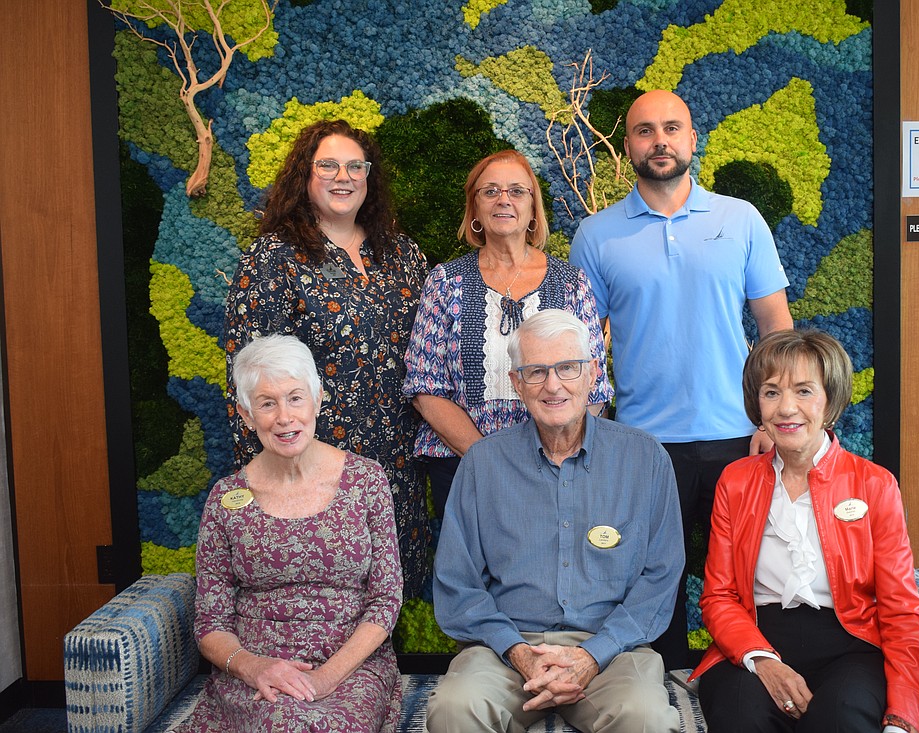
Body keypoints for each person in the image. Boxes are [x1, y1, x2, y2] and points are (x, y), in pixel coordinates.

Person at [569, 89, 795, 669]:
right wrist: (588, 433)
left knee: (748, 573)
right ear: (629, 148)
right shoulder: (597, 235)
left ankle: (751, 677)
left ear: (693, 140)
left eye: (672, 128)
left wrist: (771, 420)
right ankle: (659, 688)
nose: (660, 140)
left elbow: (775, 329)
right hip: (643, 444)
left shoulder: (740, 220)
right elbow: (583, 349)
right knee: (651, 582)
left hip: (736, 437)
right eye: (645, 131)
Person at [427, 309, 684, 733]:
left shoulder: (646, 459)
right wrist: (520, 653)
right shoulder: (482, 464)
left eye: (567, 368)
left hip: (613, 652)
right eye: (535, 372)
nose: (553, 385)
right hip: (503, 648)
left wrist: (592, 655)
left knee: (647, 719)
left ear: (592, 373)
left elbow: (660, 577)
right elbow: (457, 583)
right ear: (516, 383)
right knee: (455, 708)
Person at [223, 119, 429, 599]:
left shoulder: (402, 254)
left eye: (355, 165)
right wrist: (267, 483)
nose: (344, 176)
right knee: (322, 598)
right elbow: (249, 379)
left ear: (369, 176)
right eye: (329, 165)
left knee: (388, 598)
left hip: (398, 463)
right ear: (304, 176)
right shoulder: (273, 260)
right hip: (313, 468)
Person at [689, 328, 919, 733]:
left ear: (829, 399)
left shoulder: (875, 484)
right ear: (756, 404)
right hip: (756, 637)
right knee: (739, 717)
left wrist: (902, 717)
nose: (785, 408)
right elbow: (719, 596)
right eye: (771, 392)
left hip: (851, 644)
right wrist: (760, 659)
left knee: (842, 718)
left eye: (803, 391)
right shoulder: (735, 481)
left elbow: (901, 608)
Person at [175, 334, 403, 733]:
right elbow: (210, 624)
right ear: (247, 415)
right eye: (267, 403)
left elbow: (385, 600)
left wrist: (324, 679)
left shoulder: (367, 479)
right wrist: (255, 668)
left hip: (349, 670)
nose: (284, 417)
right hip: (257, 674)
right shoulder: (226, 498)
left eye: (295, 398)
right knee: (277, 720)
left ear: (317, 398)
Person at [403, 149, 612, 516]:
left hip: (556, 467)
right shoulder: (444, 282)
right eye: (490, 191)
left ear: (533, 209)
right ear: (475, 210)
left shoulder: (570, 283)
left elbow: (592, 386)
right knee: (471, 571)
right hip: (463, 465)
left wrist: (553, 455)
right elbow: (425, 387)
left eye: (517, 191)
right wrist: (490, 459)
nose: (504, 200)